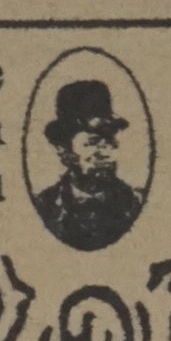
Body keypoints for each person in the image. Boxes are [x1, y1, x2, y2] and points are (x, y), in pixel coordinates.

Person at [32, 79, 143, 251]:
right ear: (65, 150)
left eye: (110, 142)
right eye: (92, 143)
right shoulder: (43, 206)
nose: (105, 153)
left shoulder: (137, 204)